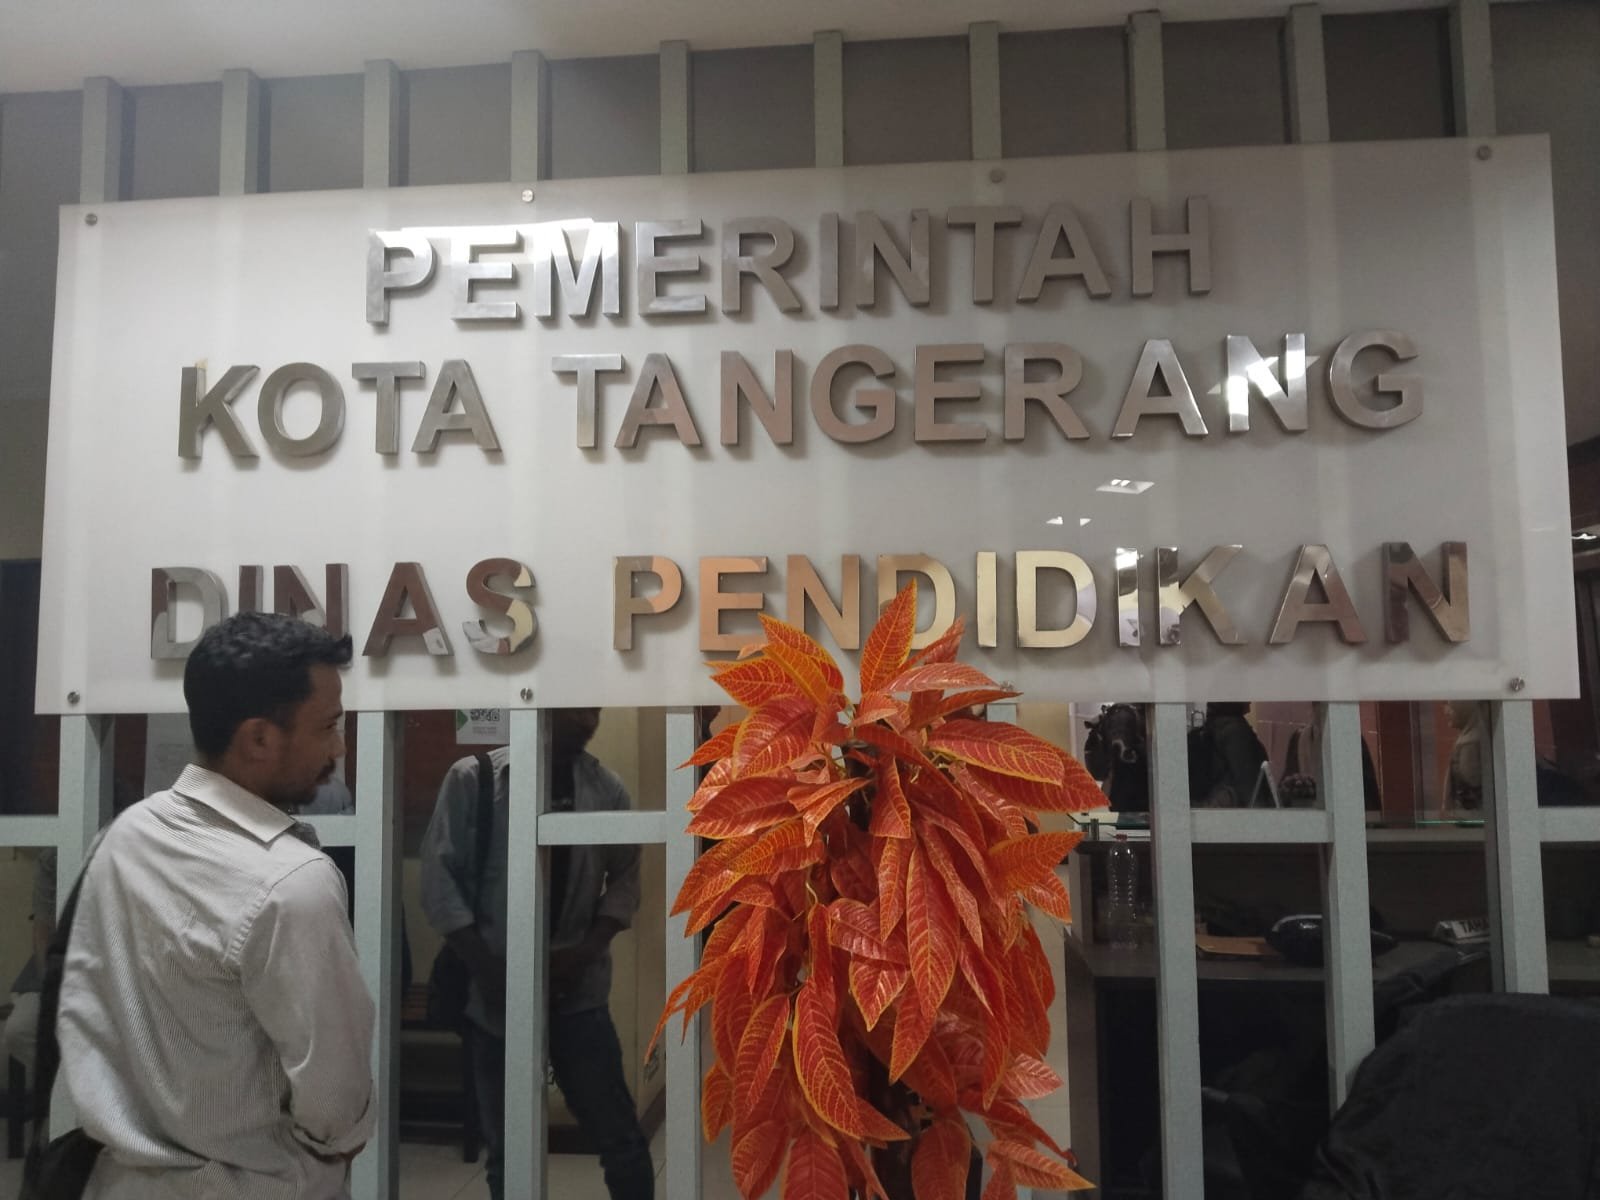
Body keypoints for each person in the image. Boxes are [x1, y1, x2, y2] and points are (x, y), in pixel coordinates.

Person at [57, 612, 375, 1199]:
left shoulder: (121, 839)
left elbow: (83, 1009)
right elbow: (335, 1106)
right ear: (258, 738)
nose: (338, 746)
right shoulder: (290, 883)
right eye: (328, 726)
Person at [420, 708, 652, 1200]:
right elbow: (440, 884)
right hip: (495, 998)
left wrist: (583, 953)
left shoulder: (605, 789)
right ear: (543, 705)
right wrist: (491, 971)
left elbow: (625, 879)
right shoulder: (475, 780)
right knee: (509, 1152)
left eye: (594, 709)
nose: (587, 719)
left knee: (622, 1142)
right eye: (575, 707)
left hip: (579, 993)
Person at [2, 848, 55, 1080]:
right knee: (20, 1028)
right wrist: (50, 991)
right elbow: (42, 931)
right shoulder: (52, 859)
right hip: (55, 968)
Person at [1443, 700, 1486, 811]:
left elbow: (1472, 780)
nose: (1446, 712)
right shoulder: (1471, 739)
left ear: (1463, 710)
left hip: (1470, 813)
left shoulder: (1469, 743)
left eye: (1451, 707)